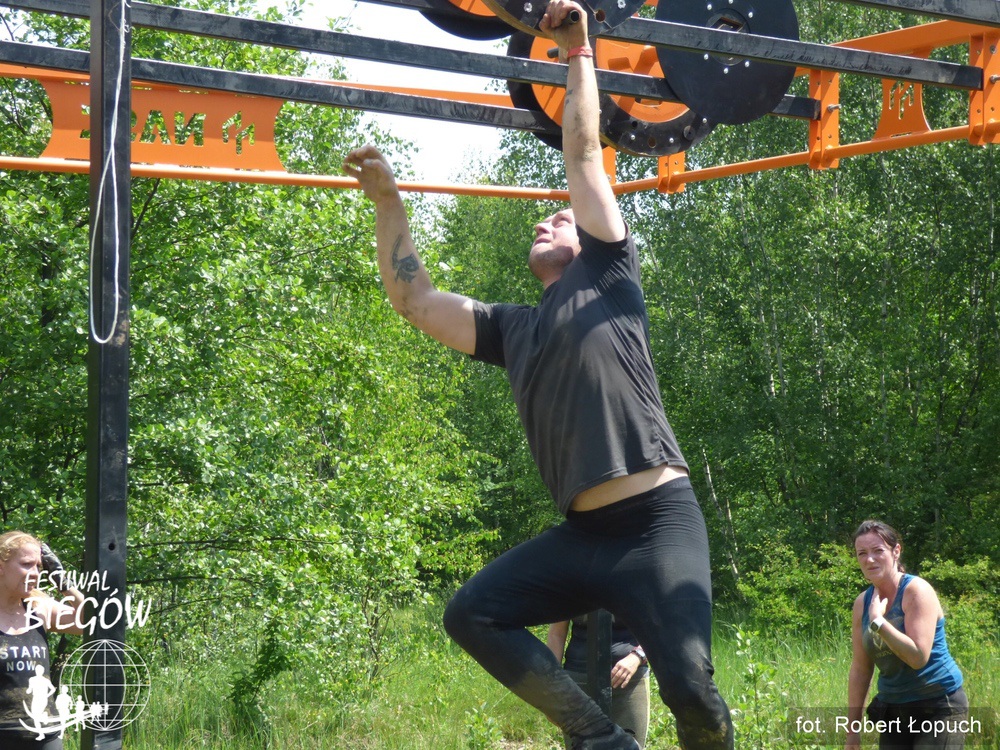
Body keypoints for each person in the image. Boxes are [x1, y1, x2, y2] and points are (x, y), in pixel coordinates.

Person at [342, 1, 733, 746]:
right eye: (544, 218)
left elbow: (583, 156)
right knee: (472, 613)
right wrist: (389, 202)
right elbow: (415, 301)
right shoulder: (512, 329)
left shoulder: (609, 274)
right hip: (586, 534)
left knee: (691, 690)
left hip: (658, 521)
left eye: (557, 219)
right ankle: (600, 740)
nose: (542, 221)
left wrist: (579, 51)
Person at [846, 520, 967, 749]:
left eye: (878, 550)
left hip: (939, 704)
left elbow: (918, 657)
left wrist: (879, 622)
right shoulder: (862, 603)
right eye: (862, 553)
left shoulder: (916, 591)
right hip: (894, 709)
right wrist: (852, 730)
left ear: (896, 551)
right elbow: (861, 669)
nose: (869, 559)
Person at [0, 531, 85, 749]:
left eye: (39, 566)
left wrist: (62, 581)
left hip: (45, 735)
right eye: (26, 564)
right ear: (1, 566)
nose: (35, 573)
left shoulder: (39, 609)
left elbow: (92, 622)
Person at [548, 614, 650, 748]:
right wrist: (551, 689)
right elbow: (556, 634)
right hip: (577, 682)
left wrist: (637, 656)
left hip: (630, 682)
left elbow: (659, 626)